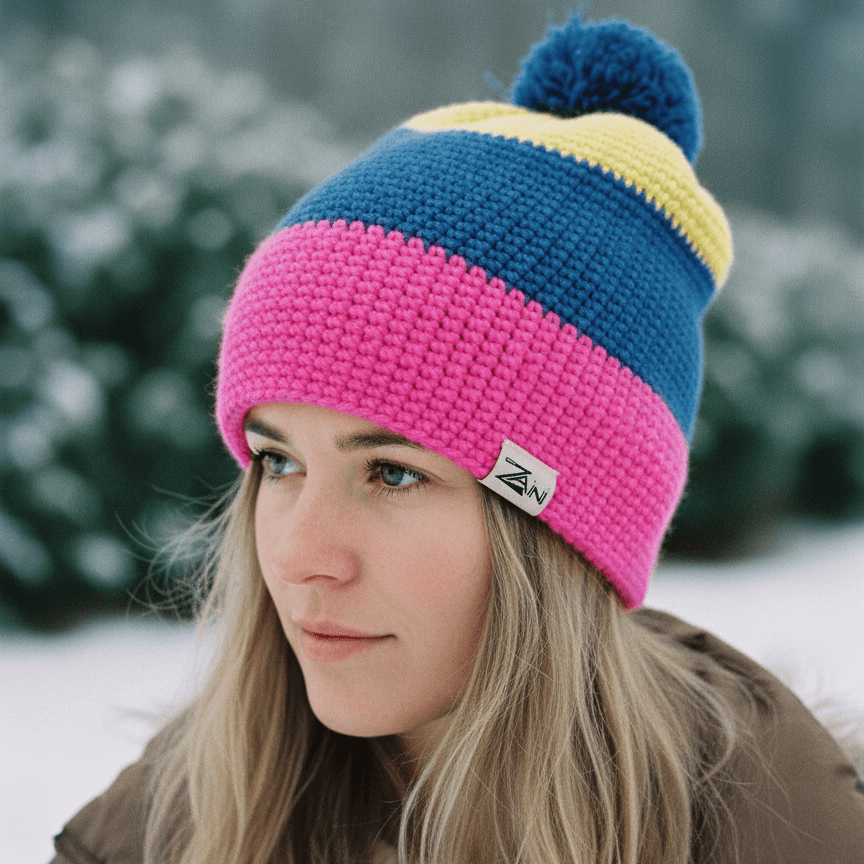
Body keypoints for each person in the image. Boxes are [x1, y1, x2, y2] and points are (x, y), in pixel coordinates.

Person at [51, 16, 864, 864]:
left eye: (393, 473)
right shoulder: (176, 822)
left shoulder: (775, 835)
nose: (297, 554)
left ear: (553, 524)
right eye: (279, 461)